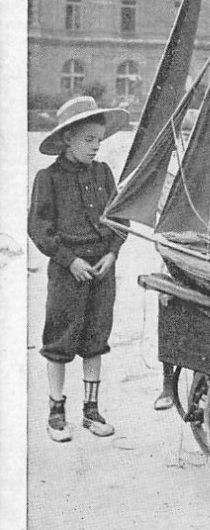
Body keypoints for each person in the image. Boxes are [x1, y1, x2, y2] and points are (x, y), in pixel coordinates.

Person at [28, 95, 129, 442]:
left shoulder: (103, 173)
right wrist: (69, 261)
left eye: (99, 140)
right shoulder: (48, 178)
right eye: (88, 139)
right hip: (67, 273)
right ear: (67, 137)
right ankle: (56, 412)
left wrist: (113, 253)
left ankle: (91, 409)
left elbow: (119, 218)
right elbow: (39, 229)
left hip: (102, 271)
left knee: (96, 339)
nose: (95, 147)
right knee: (59, 340)